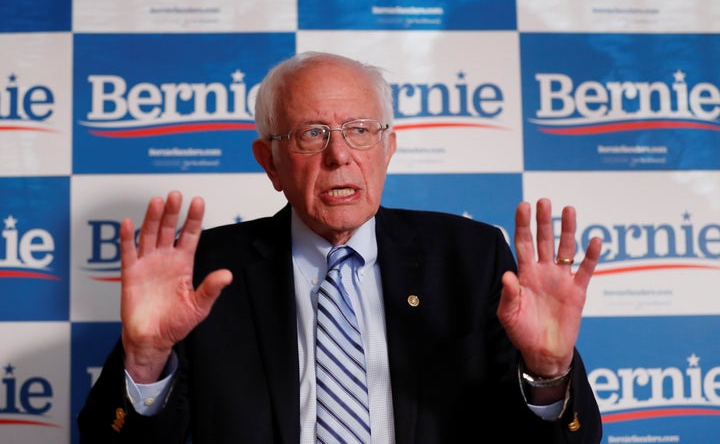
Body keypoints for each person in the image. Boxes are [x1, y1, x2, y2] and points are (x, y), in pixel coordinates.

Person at [78, 51, 604, 443]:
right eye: (311, 134)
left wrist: (548, 372)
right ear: (270, 162)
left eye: (360, 130)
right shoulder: (208, 271)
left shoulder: (470, 259)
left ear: (388, 147)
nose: (339, 156)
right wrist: (145, 363)